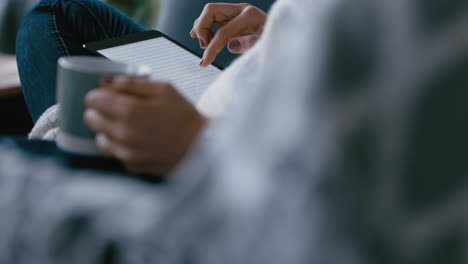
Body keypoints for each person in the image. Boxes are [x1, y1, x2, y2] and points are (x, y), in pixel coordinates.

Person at [1, 0, 468, 263]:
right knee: (59, 15)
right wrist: (275, 37)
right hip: (237, 97)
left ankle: (85, 147)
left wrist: (196, 145)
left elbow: (327, 215)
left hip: (213, 159)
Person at [17, 0, 267, 176]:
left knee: (50, 18)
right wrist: (275, 36)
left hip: (223, 140)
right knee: (61, 11)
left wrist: (194, 140)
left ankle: (78, 152)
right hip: (242, 91)